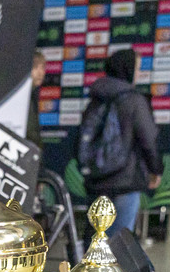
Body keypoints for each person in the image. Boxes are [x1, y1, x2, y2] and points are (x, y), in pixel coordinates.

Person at [66, 47, 161, 236]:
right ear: (128, 69)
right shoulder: (134, 100)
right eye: (137, 69)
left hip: (96, 180)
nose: (139, 74)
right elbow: (149, 140)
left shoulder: (96, 98)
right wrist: (155, 170)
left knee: (96, 239)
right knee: (120, 243)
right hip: (124, 181)